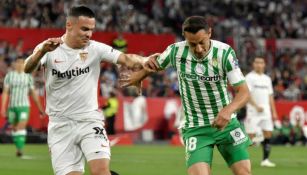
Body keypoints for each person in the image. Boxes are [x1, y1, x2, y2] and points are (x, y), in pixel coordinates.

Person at [24, 5, 154, 175]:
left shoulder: (95, 49)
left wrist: (145, 61)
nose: (89, 34)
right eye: (84, 29)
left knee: (101, 171)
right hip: (60, 125)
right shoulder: (49, 48)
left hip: (89, 121)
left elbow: (127, 59)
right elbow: (27, 68)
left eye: (91, 30)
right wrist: (41, 52)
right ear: (69, 25)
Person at [121, 16, 251, 175]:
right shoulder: (175, 51)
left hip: (226, 124)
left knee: (244, 173)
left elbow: (243, 92)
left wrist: (228, 111)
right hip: (196, 128)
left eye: (201, 42)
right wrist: (139, 76)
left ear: (210, 33)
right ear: (184, 37)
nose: (198, 49)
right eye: (192, 44)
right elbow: (155, 64)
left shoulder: (224, 53)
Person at [1, 57, 45, 157]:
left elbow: (33, 93)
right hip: (12, 107)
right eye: (18, 63)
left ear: (24, 64)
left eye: (22, 63)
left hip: (24, 106)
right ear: (14, 64)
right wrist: (3, 108)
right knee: (15, 128)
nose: (20, 65)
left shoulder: (28, 77)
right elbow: (5, 92)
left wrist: (40, 108)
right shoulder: (9, 76)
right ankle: (18, 147)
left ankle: (20, 150)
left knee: (21, 126)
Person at [244, 57, 278, 167]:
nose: (259, 64)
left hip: (266, 111)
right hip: (253, 110)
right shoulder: (249, 77)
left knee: (268, 134)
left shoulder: (267, 79)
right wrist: (256, 106)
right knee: (251, 138)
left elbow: (270, 96)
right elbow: (246, 94)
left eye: (261, 62)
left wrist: (274, 112)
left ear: (264, 64)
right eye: (257, 62)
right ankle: (240, 160)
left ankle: (265, 160)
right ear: (253, 64)